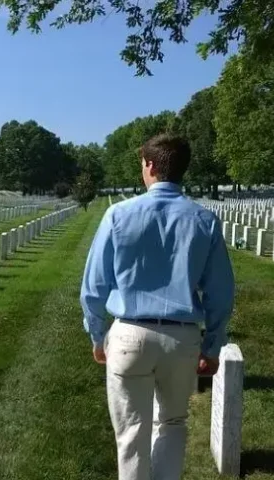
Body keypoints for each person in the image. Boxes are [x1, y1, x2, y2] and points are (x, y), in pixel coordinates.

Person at [80, 133, 235, 480]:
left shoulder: (118, 215)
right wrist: (213, 345)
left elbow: (93, 286)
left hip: (129, 333)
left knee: (131, 435)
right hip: (181, 339)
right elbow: (220, 292)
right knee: (172, 423)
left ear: (150, 165)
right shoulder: (204, 220)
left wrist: (96, 335)